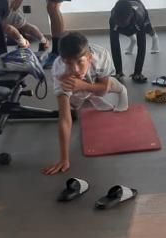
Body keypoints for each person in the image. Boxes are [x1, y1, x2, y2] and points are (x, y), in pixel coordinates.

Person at [43, 32, 128, 176]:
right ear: (62, 60)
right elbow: (64, 118)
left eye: (79, 62)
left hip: (97, 83)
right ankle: (86, 96)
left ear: (88, 58)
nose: (75, 69)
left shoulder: (101, 55)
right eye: (68, 63)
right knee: (75, 105)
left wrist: (83, 85)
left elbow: (103, 89)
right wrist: (64, 159)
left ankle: (122, 90)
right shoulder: (59, 70)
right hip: (78, 89)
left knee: (105, 90)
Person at [109, 0, 159, 83]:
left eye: (123, 22)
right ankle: (132, 40)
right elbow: (114, 45)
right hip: (122, 3)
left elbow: (142, 46)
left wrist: (138, 72)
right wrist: (118, 72)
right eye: (119, 22)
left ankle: (155, 37)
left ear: (131, 15)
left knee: (147, 29)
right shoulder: (113, 19)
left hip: (137, 3)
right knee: (125, 30)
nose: (121, 23)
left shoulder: (139, 17)